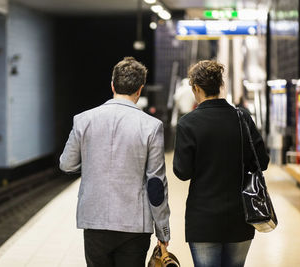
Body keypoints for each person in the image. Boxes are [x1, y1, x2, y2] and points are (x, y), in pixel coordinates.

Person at [60, 57, 171, 267]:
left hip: (94, 219)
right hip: (135, 225)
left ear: (112, 85)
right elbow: (156, 184)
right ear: (140, 90)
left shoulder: (83, 119)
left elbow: (67, 164)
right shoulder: (151, 126)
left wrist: (96, 162)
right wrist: (163, 228)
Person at [173, 60, 269, 267]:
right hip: (240, 216)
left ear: (196, 88)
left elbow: (182, 172)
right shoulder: (242, 118)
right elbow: (263, 161)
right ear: (220, 86)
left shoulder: (188, 123)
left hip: (203, 219)